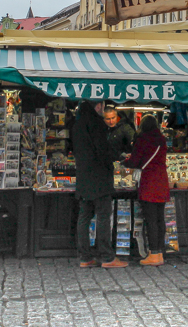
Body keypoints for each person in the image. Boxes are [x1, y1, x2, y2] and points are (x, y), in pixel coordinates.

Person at [72, 101, 127, 268]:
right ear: (98, 106)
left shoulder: (77, 124)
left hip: (83, 176)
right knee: (103, 216)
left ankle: (85, 257)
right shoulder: (96, 124)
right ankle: (107, 257)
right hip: (99, 178)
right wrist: (119, 156)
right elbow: (103, 150)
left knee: (84, 217)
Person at [123, 115, 169, 266]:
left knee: (150, 220)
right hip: (161, 180)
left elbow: (135, 161)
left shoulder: (142, 139)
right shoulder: (162, 139)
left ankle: (153, 254)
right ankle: (160, 253)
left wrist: (125, 162)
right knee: (160, 219)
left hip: (149, 181)